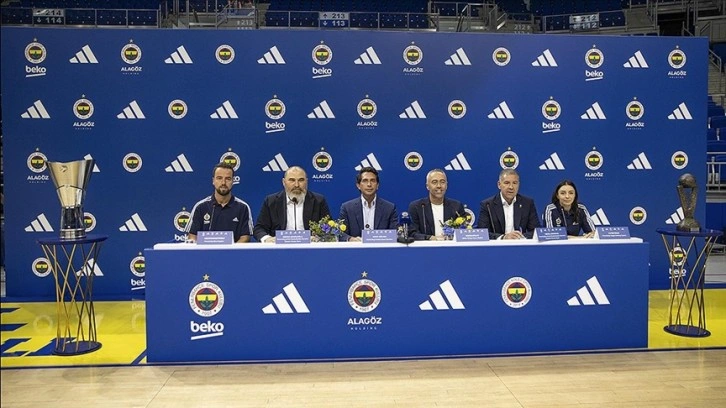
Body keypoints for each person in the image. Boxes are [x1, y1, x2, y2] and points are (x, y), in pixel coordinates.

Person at [254, 166, 331, 243]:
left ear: (306, 182)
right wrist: (267, 239)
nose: (296, 185)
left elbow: (329, 227)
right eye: (292, 180)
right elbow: (259, 228)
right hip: (279, 247)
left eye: (301, 180)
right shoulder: (271, 201)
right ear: (284, 182)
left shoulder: (318, 201)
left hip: (310, 247)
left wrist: (318, 238)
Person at [186, 162, 253, 243]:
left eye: (228, 179)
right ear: (213, 181)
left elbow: (245, 237)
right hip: (205, 251)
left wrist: (231, 250)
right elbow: (192, 236)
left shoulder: (243, 207)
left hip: (233, 251)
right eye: (219, 178)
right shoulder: (200, 207)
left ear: (233, 181)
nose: (223, 183)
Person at [339, 167, 398, 241]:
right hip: (356, 248)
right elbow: (340, 233)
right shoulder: (347, 208)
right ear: (358, 185)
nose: (369, 184)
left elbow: (394, 233)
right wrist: (350, 239)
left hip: (380, 247)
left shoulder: (389, 208)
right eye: (365, 181)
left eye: (372, 181)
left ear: (377, 185)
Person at [477, 169, 539, 239]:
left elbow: (536, 231)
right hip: (498, 245)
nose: (511, 187)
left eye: (515, 183)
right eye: (507, 183)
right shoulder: (488, 205)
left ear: (518, 185)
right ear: (499, 185)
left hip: (520, 243)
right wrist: (503, 237)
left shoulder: (527, 203)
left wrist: (518, 237)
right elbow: (482, 233)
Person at [408, 169, 466, 241]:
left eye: (442, 182)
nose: (439, 186)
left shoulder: (456, 206)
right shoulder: (417, 207)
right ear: (427, 186)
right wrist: (430, 238)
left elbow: (463, 232)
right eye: (434, 182)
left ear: (446, 185)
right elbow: (412, 233)